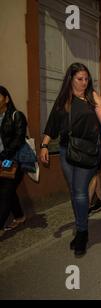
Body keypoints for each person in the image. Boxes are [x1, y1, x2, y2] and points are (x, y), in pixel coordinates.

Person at [40, 63, 101, 257]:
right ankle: (80, 225)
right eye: (80, 79)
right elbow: (53, 122)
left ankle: (82, 233)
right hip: (67, 150)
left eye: (86, 79)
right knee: (75, 191)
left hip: (89, 151)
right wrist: (44, 145)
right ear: (71, 79)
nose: (84, 83)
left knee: (82, 192)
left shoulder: (93, 97)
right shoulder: (64, 99)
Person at [0, 86, 27, 231]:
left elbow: (19, 139)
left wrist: (4, 155)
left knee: (5, 191)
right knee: (8, 191)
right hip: (1, 159)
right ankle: (19, 216)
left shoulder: (17, 116)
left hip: (12, 159)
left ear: (6, 99)